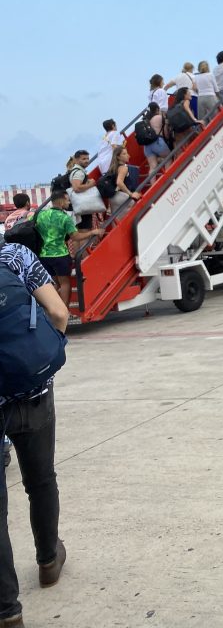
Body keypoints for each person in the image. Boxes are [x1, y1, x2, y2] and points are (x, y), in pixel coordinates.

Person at [0, 240, 71, 627]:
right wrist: (41, 366)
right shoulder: (14, 256)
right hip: (33, 394)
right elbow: (58, 311)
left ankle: (8, 611)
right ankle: (48, 560)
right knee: (41, 480)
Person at [33, 191, 102, 305]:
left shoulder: (41, 214)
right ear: (61, 201)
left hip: (43, 255)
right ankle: (64, 310)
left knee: (54, 283)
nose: (69, 202)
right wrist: (92, 232)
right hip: (59, 255)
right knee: (65, 283)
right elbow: (75, 237)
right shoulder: (64, 217)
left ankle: (50, 308)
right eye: (67, 199)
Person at [104, 145, 142, 217]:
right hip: (122, 196)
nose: (128, 155)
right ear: (118, 157)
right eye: (124, 154)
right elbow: (119, 182)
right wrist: (130, 194)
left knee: (117, 219)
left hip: (113, 197)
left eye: (127, 153)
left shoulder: (113, 168)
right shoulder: (123, 168)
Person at [67, 149, 98, 231]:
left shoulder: (75, 171)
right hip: (83, 206)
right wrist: (90, 185)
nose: (87, 161)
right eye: (84, 159)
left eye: (87, 158)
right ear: (76, 160)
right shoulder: (79, 172)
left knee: (79, 232)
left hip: (78, 206)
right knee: (84, 231)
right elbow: (76, 188)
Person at [141, 103, 171, 173]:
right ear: (157, 109)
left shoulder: (145, 120)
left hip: (147, 146)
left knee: (153, 166)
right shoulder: (159, 117)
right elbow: (166, 132)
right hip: (158, 142)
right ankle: (168, 178)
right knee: (168, 157)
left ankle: (153, 183)